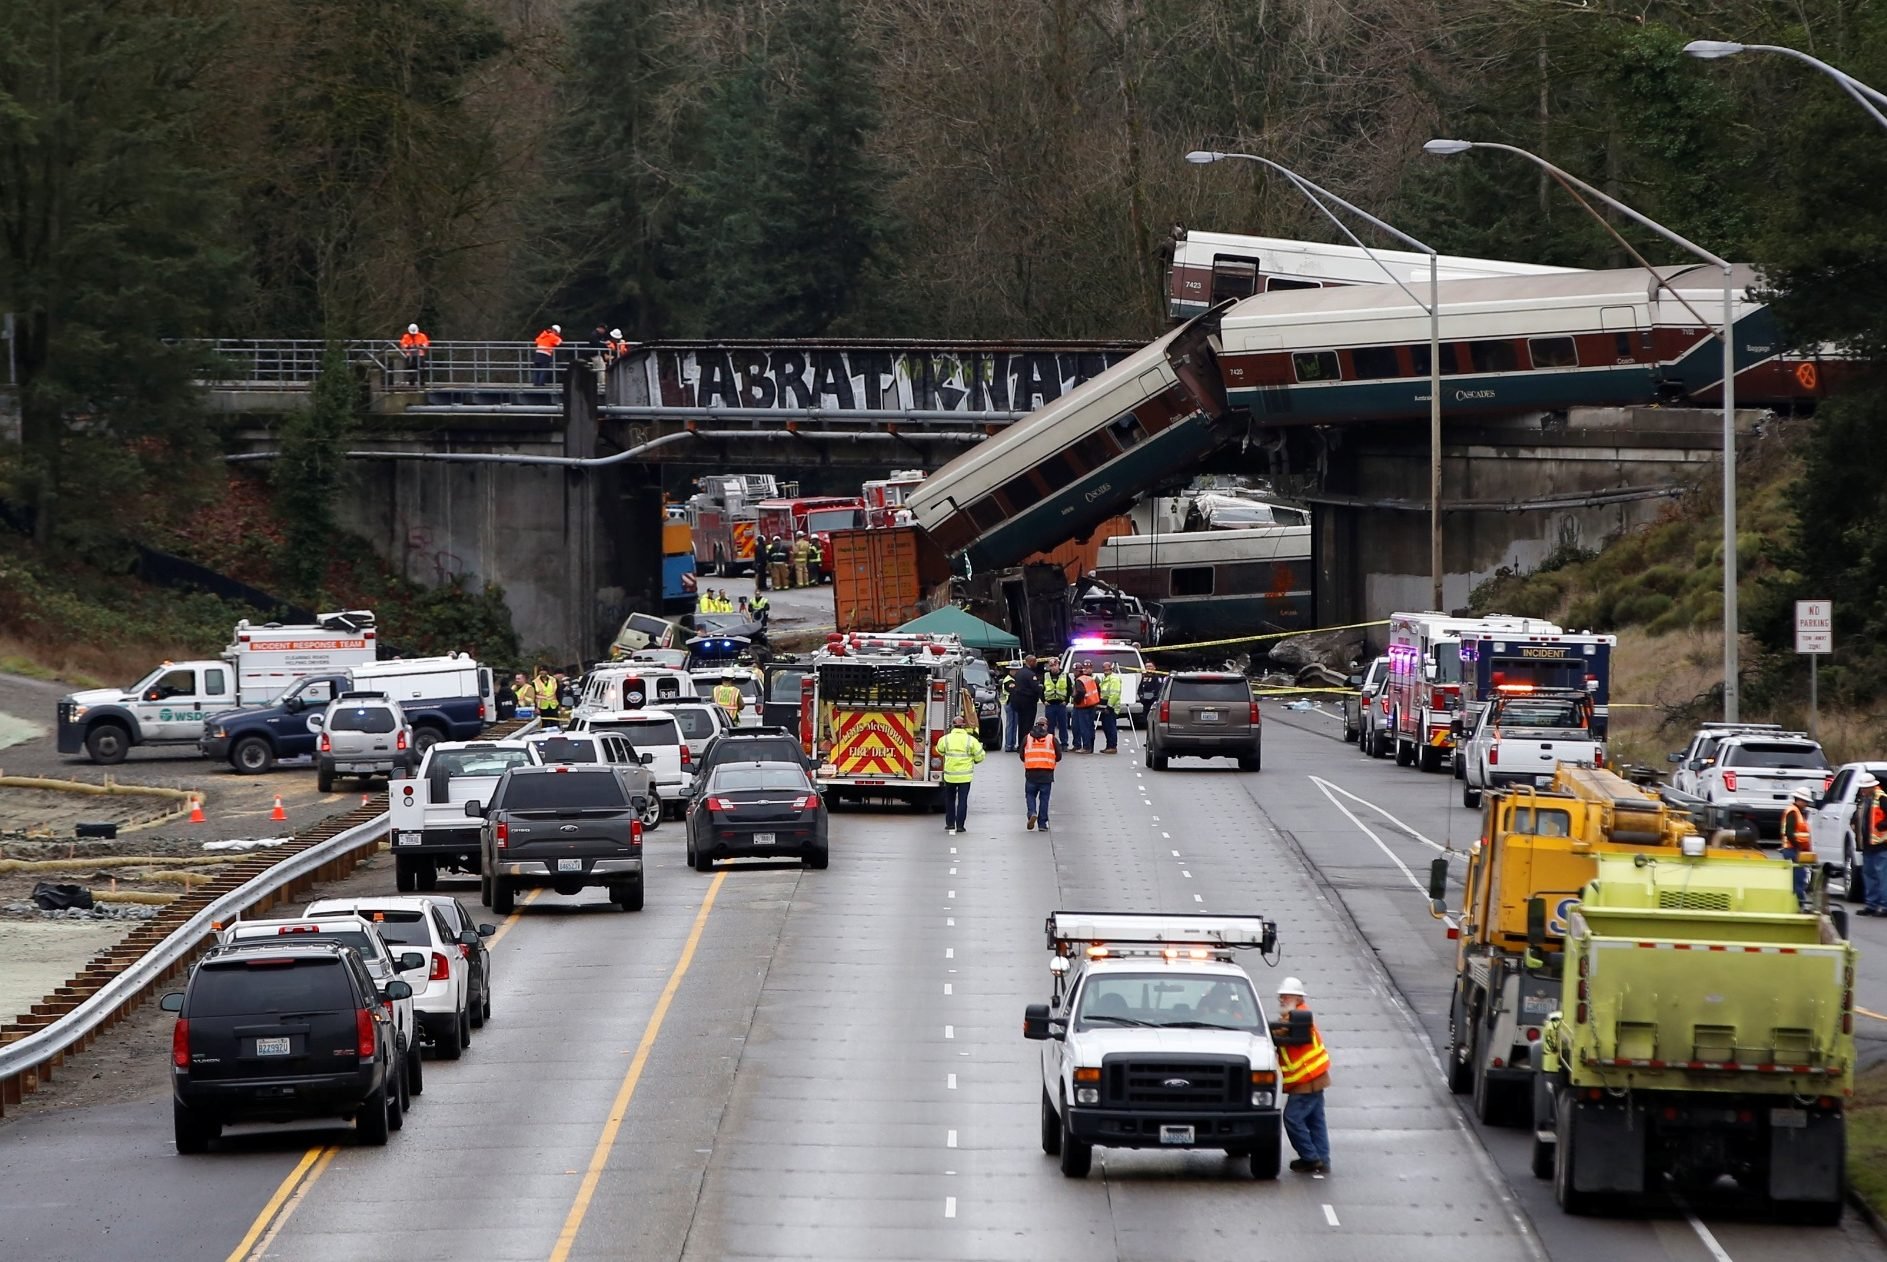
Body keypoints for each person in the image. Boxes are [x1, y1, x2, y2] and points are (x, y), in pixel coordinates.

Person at [1271, 977, 1332, 1174]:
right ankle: (1322, 1159)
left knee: (1292, 1119)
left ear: (1298, 998)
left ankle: (1310, 1158)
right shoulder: (1299, 1014)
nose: (1281, 999)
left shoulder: (1297, 1017)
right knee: (1315, 1121)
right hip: (1314, 1077)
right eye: (1281, 996)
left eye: (1285, 995)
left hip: (1306, 1080)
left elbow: (1278, 1033)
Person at [936, 715, 985, 835]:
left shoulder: (946, 739)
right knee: (963, 800)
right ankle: (960, 826)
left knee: (950, 800)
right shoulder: (971, 740)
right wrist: (975, 760)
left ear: (952, 726)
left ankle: (950, 823)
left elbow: (939, 750)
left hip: (950, 776)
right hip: (965, 777)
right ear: (964, 726)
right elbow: (980, 756)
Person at [1022, 716, 1060, 831]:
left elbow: (1021, 755)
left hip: (1031, 772)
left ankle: (1032, 813)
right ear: (1045, 725)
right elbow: (1058, 756)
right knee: (1044, 799)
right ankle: (1042, 824)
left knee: (1030, 795)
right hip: (1046, 774)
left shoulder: (1027, 738)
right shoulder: (1051, 739)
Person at [1860, 776, 1887, 917]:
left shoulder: (1882, 799)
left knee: (1882, 876)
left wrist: (1883, 824)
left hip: (1881, 844)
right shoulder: (1864, 800)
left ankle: (1884, 905)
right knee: (1869, 874)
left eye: (1865, 787)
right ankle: (1871, 904)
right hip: (1868, 845)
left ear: (1872, 787)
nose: (1863, 790)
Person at [1780, 786, 1813, 902]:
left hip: (1795, 849)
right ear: (1799, 799)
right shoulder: (1793, 812)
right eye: (1805, 801)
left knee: (1798, 876)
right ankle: (1799, 902)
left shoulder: (1797, 812)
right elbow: (1789, 832)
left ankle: (1798, 901)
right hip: (1792, 849)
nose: (1806, 804)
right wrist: (1798, 847)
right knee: (1798, 877)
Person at [1009, 655, 1043, 752]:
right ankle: (1026, 745)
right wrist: (1041, 688)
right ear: (1030, 662)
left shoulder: (1019, 673)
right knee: (1028, 725)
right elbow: (1036, 688)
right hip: (1028, 703)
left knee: (1022, 724)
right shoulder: (1030, 674)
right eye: (1035, 661)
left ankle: (1021, 745)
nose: (1036, 663)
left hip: (1019, 702)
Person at [1070, 662, 1102, 753]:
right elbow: (1097, 690)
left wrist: (1076, 700)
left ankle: (1086, 747)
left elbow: (1080, 692)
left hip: (1082, 706)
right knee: (1089, 726)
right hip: (1091, 704)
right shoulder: (1089, 678)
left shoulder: (1079, 680)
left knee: (1083, 727)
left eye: (1074, 671)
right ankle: (1089, 746)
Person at [1042, 659, 1071, 748]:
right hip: (1049, 705)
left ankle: (1064, 744)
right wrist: (1044, 701)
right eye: (1051, 666)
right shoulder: (1046, 676)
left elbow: (1070, 689)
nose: (1053, 667)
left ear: (1058, 665)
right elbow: (1040, 689)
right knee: (1050, 726)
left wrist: (1066, 701)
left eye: (1055, 665)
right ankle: (1051, 743)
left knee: (1063, 725)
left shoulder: (1065, 676)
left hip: (1061, 705)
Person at [1098, 661, 1122, 754]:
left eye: (1107, 668)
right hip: (1104, 707)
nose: (1105, 670)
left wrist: (1109, 707)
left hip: (1111, 708)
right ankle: (1108, 746)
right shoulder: (1106, 678)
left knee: (1110, 728)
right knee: (1106, 727)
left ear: (1111, 669)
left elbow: (1115, 694)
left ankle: (1112, 746)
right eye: (1104, 668)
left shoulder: (1114, 679)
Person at [399, 323, 430, 387]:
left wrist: (420, 346)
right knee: (410, 369)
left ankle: (422, 382)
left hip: (420, 354)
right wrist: (408, 346)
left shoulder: (422, 336)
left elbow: (426, 343)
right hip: (410, 355)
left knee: (422, 369)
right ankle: (411, 383)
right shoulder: (406, 336)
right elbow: (402, 344)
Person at [1000, 667, 1019, 752]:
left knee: (1014, 725)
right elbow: (1013, 690)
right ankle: (1008, 745)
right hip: (1009, 703)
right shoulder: (1008, 680)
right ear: (1011, 670)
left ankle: (1013, 744)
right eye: (1015, 670)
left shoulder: (1015, 679)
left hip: (1015, 703)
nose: (1016, 671)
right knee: (1010, 725)